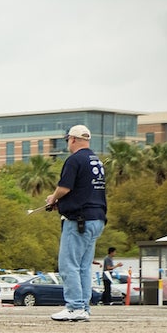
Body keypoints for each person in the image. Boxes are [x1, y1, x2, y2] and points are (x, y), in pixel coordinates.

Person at [45, 125, 107, 321]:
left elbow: (64, 188)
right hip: (97, 218)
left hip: (79, 220)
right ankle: (84, 307)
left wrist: (53, 199)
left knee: (68, 264)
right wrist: (63, 202)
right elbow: (83, 190)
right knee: (83, 266)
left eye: (67, 140)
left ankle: (74, 306)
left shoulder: (74, 160)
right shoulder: (96, 160)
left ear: (72, 139)